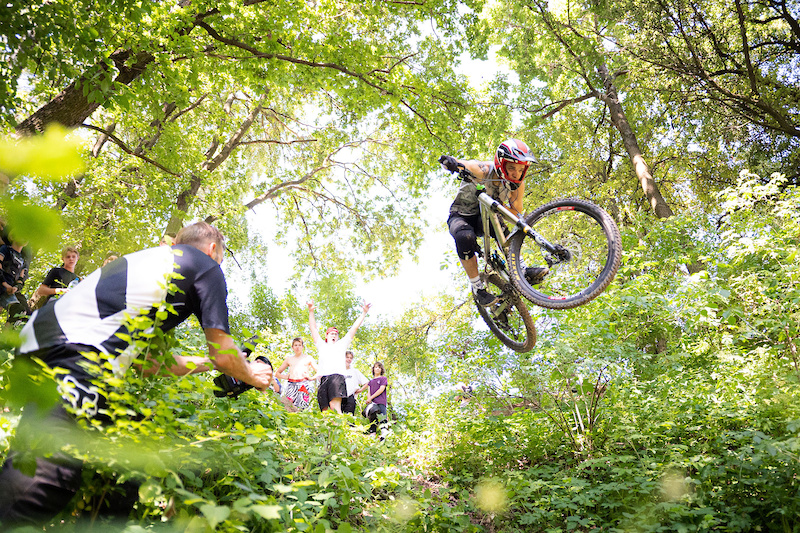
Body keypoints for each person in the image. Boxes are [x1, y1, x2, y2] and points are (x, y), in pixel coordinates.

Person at [0, 221, 274, 527]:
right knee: (45, 479)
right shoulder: (205, 266)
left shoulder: (154, 270)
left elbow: (151, 365)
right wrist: (251, 373)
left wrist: (214, 364)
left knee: (128, 462)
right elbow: (223, 351)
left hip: (48, 341)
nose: (217, 265)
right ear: (212, 249)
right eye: (219, 259)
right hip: (76, 351)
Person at [439, 139, 549, 307]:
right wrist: (451, 162)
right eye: (511, 167)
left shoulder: (517, 184)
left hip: (487, 217)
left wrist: (503, 207)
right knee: (465, 237)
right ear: (500, 163)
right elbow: (466, 164)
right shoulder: (484, 170)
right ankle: (478, 288)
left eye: (520, 169)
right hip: (462, 216)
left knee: (496, 217)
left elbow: (515, 212)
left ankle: (521, 269)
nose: (515, 173)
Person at [307, 299, 371, 414]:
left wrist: (364, 313)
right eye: (332, 334)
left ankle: (342, 430)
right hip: (323, 378)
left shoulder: (341, 344)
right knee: (325, 411)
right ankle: (329, 431)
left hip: (337, 377)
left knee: (334, 406)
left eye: (336, 334)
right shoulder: (321, 344)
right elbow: (313, 328)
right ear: (327, 335)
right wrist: (311, 311)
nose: (334, 336)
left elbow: (354, 328)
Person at [273, 337, 318, 411]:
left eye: (299, 345)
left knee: (302, 408)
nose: (297, 347)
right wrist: (285, 377)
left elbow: (319, 372)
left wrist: (311, 378)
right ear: (292, 347)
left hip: (303, 384)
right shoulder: (289, 359)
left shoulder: (308, 358)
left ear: (302, 347)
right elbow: (277, 373)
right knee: (287, 406)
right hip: (291, 384)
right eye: (296, 345)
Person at [0, 237, 30, 321]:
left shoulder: (23, 261)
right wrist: (4, 284)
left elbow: (20, 281)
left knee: (19, 312)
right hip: (2, 285)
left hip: (7, 292)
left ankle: (5, 334)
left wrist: (15, 288)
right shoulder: (5, 249)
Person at [357, 361, 389, 437]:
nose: (377, 369)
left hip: (381, 402)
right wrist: (369, 399)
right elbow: (369, 391)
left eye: (379, 367)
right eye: (375, 367)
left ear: (381, 369)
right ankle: (372, 434)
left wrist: (371, 397)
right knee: (373, 418)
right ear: (373, 369)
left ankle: (384, 434)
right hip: (373, 404)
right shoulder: (371, 381)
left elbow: (381, 389)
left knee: (382, 417)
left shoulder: (383, 379)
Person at [341, 350, 369, 415]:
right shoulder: (338, 371)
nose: (349, 359)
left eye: (350, 358)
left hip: (350, 397)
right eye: (347, 357)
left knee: (349, 420)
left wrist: (360, 390)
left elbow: (367, 382)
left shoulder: (355, 371)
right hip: (339, 397)